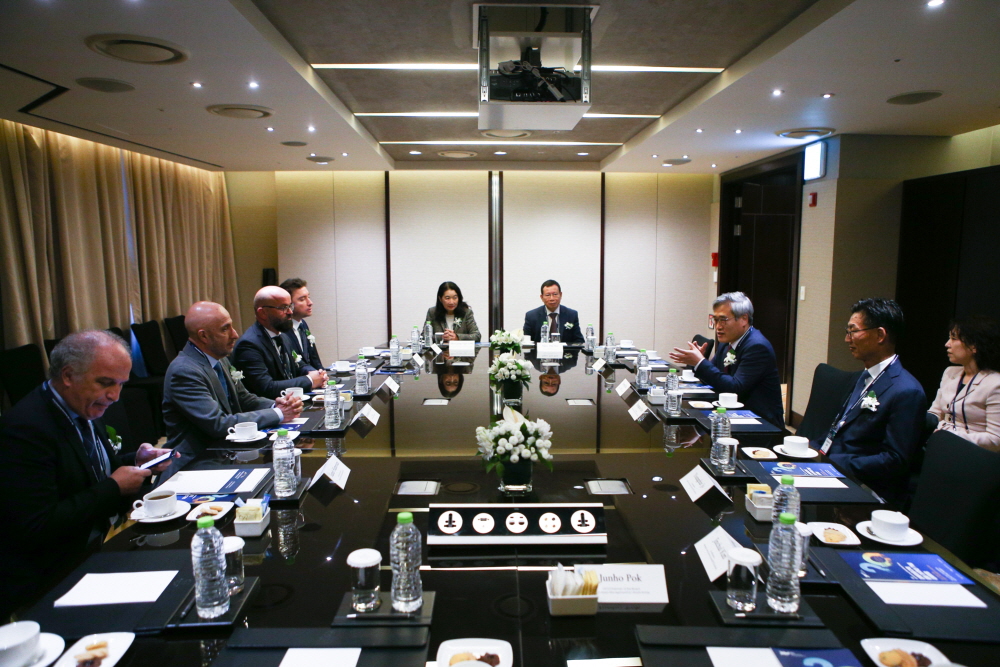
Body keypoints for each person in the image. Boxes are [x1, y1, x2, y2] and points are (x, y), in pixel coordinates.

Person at [0, 331, 176, 616]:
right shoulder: (25, 429)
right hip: (55, 572)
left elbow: (85, 470)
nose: (115, 396)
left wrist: (136, 460)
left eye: (121, 384)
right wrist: (114, 487)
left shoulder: (78, 405)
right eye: (105, 383)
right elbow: (37, 526)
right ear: (68, 375)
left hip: (103, 541)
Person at [162, 301, 304, 477]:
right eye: (225, 329)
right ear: (203, 336)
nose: (235, 334)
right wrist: (278, 414)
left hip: (224, 454)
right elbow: (218, 424)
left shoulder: (219, 358)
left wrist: (277, 405)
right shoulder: (185, 371)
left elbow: (243, 398)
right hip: (194, 465)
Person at [813, 298, 927, 505]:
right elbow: (839, 427)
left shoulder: (906, 391)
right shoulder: (863, 376)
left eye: (853, 331)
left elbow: (895, 460)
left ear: (880, 335)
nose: (847, 339)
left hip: (865, 488)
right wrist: (809, 450)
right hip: (835, 470)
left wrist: (832, 462)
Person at [668, 291, 784, 429]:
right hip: (730, 413)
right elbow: (713, 379)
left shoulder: (757, 346)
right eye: (715, 320)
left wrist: (700, 363)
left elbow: (734, 388)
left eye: (723, 320)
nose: (718, 326)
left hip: (761, 421)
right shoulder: (726, 342)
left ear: (744, 319)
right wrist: (699, 362)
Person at [233, 286, 327, 399]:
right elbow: (267, 388)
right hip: (270, 407)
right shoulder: (249, 345)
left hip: (292, 403)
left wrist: (317, 374)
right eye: (283, 308)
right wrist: (310, 380)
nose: (290, 312)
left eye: (290, 306)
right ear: (263, 313)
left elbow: (300, 365)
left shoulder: (283, 335)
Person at [928, 315, 1000, 451]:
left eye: (954, 338)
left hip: (972, 455)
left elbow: (996, 439)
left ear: (974, 346)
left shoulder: (995, 384)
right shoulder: (950, 373)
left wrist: (949, 436)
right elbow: (935, 413)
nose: (947, 344)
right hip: (940, 447)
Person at [280, 277, 324, 371]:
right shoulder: (281, 329)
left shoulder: (302, 324)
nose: (310, 303)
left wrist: (322, 373)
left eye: (309, 297)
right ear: (288, 304)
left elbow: (313, 358)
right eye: (302, 299)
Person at [523, 280, 584, 344]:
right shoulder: (531, 316)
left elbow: (579, 341)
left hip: (564, 350)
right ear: (542, 297)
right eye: (548, 295)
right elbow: (527, 342)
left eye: (555, 294)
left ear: (560, 295)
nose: (552, 298)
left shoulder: (571, 314)